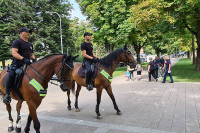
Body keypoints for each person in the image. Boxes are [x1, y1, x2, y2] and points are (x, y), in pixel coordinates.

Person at [3, 28, 36, 104]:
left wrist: (34, 60)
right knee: (11, 75)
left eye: (29, 32)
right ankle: (7, 95)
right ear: (21, 33)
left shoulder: (30, 44)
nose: (28, 33)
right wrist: (23, 59)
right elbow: (14, 53)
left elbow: (31, 54)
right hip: (17, 64)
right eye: (27, 32)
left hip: (27, 64)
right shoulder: (17, 42)